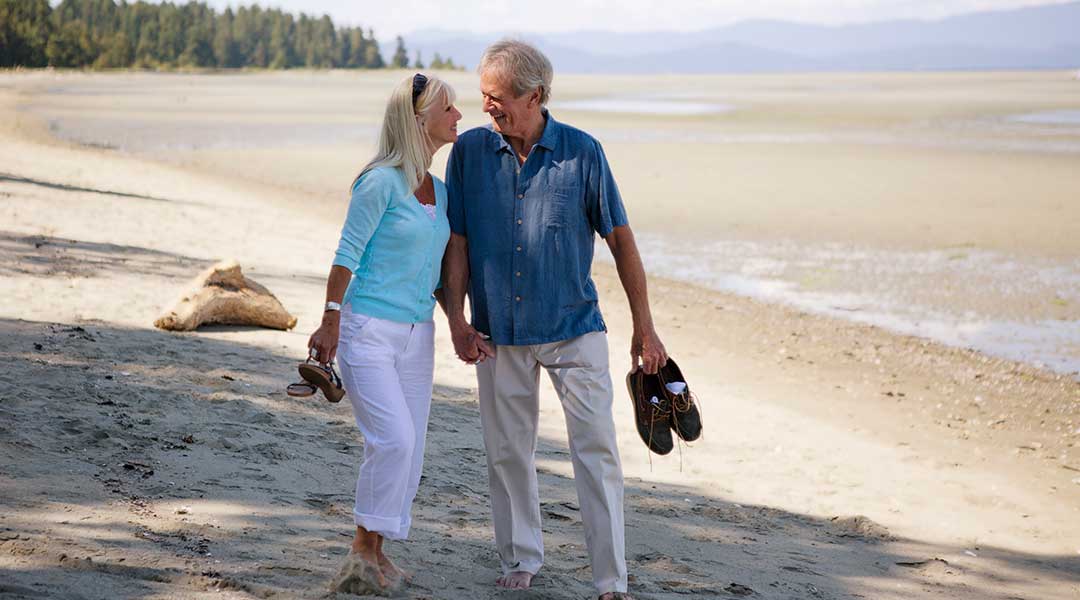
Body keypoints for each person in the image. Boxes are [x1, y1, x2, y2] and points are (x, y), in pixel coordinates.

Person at [441, 40, 667, 600]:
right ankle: (521, 555)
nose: (486, 107)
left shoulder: (583, 153)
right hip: (497, 334)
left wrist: (645, 326)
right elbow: (458, 244)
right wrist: (456, 319)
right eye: (482, 96)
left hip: (575, 329)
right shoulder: (468, 152)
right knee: (508, 451)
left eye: (496, 97)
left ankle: (610, 580)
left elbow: (621, 241)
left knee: (596, 450)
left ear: (534, 95)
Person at [306, 72, 461, 592]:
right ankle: (358, 549)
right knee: (391, 439)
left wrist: (460, 324)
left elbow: (438, 272)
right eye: (448, 109)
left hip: (420, 333)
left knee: (410, 449)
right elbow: (346, 255)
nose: (458, 116)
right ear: (419, 121)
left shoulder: (439, 191)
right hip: (367, 328)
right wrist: (331, 319)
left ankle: (377, 550)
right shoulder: (379, 182)